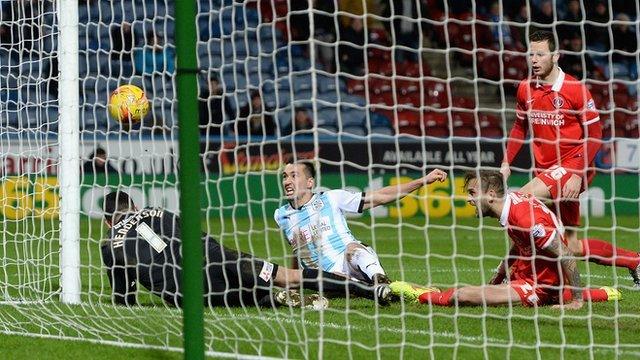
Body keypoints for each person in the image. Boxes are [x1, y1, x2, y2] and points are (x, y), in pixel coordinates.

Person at [500, 30, 640, 285]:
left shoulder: (574, 88)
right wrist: (507, 161)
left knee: (521, 201)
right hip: (545, 171)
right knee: (572, 245)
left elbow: (595, 134)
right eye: (531, 53)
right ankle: (634, 260)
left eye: (540, 54)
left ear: (555, 55)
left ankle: (514, 277)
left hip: (573, 167)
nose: (534, 59)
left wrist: (577, 174)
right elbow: (520, 127)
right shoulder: (525, 88)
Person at [100, 191, 391, 308]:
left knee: (245, 299)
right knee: (291, 275)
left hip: (184, 293)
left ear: (107, 220)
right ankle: (370, 291)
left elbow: (124, 299)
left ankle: (275, 299)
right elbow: (195, 234)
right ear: (135, 207)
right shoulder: (156, 211)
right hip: (215, 257)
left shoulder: (109, 245)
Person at [417, 171, 620, 309]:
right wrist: (500, 273)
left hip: (537, 285)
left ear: (490, 195)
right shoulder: (513, 203)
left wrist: (576, 301)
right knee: (484, 290)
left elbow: (566, 255)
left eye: (472, 193)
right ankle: (604, 293)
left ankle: (422, 295)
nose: (469, 200)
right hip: (530, 273)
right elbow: (522, 242)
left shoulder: (526, 219)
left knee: (463, 296)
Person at [274, 161, 447, 285]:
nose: (287, 181)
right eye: (284, 176)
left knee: (353, 248)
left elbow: (380, 197)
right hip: (325, 277)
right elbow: (298, 249)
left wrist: (422, 181)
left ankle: (379, 279)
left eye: (293, 176)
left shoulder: (332, 198)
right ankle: (375, 287)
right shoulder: (281, 215)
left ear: (310, 182)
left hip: (349, 262)